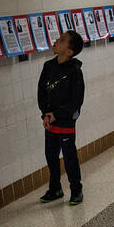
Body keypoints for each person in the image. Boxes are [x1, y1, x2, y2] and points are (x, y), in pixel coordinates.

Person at [38, 30, 86, 206]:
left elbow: (76, 100)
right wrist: (45, 114)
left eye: (62, 40)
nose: (57, 40)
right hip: (50, 122)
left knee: (69, 157)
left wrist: (58, 114)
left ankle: (76, 190)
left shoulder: (75, 71)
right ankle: (55, 189)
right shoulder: (48, 67)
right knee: (51, 156)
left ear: (69, 51)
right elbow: (41, 93)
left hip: (65, 122)